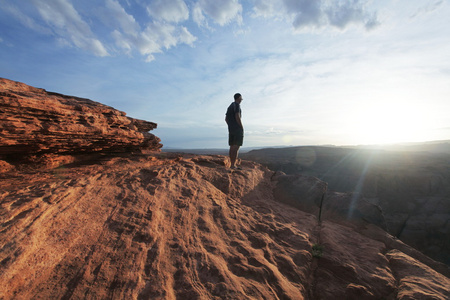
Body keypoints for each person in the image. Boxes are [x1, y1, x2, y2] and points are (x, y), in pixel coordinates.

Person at [225, 93, 244, 169]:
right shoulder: (237, 105)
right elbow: (237, 116)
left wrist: (230, 125)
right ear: (238, 98)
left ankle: (232, 165)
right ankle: (233, 165)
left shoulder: (230, 106)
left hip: (231, 129)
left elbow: (226, 119)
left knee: (232, 146)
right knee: (236, 147)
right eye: (241, 98)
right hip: (237, 129)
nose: (241, 100)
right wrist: (241, 126)